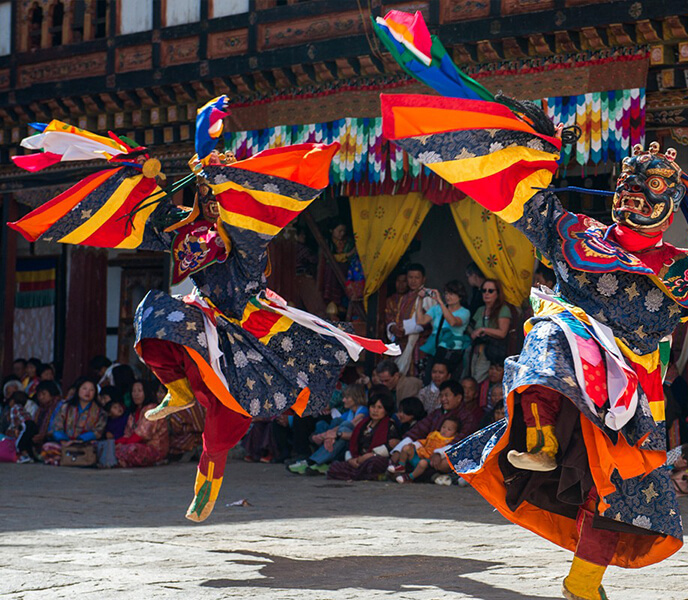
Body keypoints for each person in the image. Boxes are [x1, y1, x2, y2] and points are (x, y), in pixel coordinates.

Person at [379, 27, 688, 596]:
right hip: (572, 364)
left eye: (645, 197)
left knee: (621, 492)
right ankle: (541, 438)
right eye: (625, 192)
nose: (630, 202)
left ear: (668, 209)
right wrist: (531, 142)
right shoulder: (575, 233)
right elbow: (525, 200)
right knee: (554, 323)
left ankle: (584, 582)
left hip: (634, 386)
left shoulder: (685, 270)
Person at [9, 105, 397, 520]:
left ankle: (206, 487)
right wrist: (146, 177)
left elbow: (237, 213)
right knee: (154, 315)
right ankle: (175, 390)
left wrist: (208, 155)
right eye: (207, 196)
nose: (213, 205)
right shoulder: (187, 229)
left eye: (218, 198)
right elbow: (157, 218)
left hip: (248, 332)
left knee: (225, 416)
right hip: (204, 320)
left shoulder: (246, 240)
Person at [387, 381, 478, 476]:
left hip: (447, 455)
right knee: (406, 451)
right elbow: (418, 430)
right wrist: (398, 450)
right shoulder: (437, 413)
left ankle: (426, 474)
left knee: (446, 462)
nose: (443, 399)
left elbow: (461, 441)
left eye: (446, 396)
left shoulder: (468, 417)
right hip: (427, 452)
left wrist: (439, 453)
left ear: (458, 398)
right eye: (441, 396)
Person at [289, 383, 369, 474]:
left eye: (347, 398)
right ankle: (322, 460)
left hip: (352, 443)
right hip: (338, 439)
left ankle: (313, 461)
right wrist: (326, 436)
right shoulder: (349, 412)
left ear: (356, 398)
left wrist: (332, 436)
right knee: (324, 424)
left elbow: (351, 425)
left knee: (344, 426)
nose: (343, 400)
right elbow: (336, 427)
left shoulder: (363, 411)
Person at [326, 391, 400, 481]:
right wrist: (351, 460)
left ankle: (358, 475)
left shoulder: (390, 425)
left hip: (374, 459)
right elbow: (352, 443)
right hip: (357, 460)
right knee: (334, 467)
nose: (375, 411)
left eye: (379, 408)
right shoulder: (363, 424)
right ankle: (363, 475)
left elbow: (391, 446)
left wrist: (369, 455)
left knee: (373, 463)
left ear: (386, 410)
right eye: (373, 407)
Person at [42, 377, 107, 466]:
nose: (87, 392)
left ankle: (68, 460)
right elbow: (56, 426)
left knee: (97, 447)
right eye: (84, 388)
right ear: (78, 390)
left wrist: (79, 440)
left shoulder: (100, 412)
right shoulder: (66, 407)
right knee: (47, 447)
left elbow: (98, 432)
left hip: (85, 444)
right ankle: (71, 459)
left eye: (91, 390)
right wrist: (64, 440)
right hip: (66, 443)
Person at [386, 263, 435, 376]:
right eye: (410, 277)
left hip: (420, 345)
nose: (413, 281)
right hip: (402, 344)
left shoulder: (428, 296)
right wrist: (393, 328)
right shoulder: (404, 297)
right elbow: (394, 317)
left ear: (423, 279)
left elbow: (428, 320)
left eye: (417, 278)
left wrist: (405, 329)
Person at [417, 280, 471, 380]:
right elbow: (421, 320)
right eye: (446, 293)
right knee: (431, 378)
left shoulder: (465, 312)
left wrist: (440, 302)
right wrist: (420, 300)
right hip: (436, 349)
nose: (447, 297)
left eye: (451, 294)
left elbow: (453, 322)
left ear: (460, 296)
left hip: (452, 351)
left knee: (450, 380)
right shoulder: (436, 309)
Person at [115, 380, 169, 468]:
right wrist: (117, 443)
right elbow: (127, 434)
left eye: (139, 391)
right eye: (134, 391)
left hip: (154, 449)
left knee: (132, 450)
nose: (136, 394)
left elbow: (143, 434)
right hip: (134, 444)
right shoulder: (133, 413)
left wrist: (123, 445)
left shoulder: (153, 409)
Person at [393, 416, 460, 483]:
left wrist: (438, 453)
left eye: (449, 429)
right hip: (420, 453)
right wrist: (415, 444)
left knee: (423, 463)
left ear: (455, 433)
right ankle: (401, 466)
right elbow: (425, 441)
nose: (444, 430)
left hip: (429, 459)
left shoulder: (450, 441)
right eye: (443, 427)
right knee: (406, 447)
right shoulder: (434, 434)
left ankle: (409, 477)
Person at [469, 279, 512, 382]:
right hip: (476, 351)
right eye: (484, 291)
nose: (486, 293)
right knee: (473, 379)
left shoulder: (503, 309)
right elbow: (473, 329)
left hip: (492, 353)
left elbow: (502, 333)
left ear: (497, 293)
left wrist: (483, 330)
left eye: (490, 291)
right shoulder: (480, 310)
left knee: (481, 380)